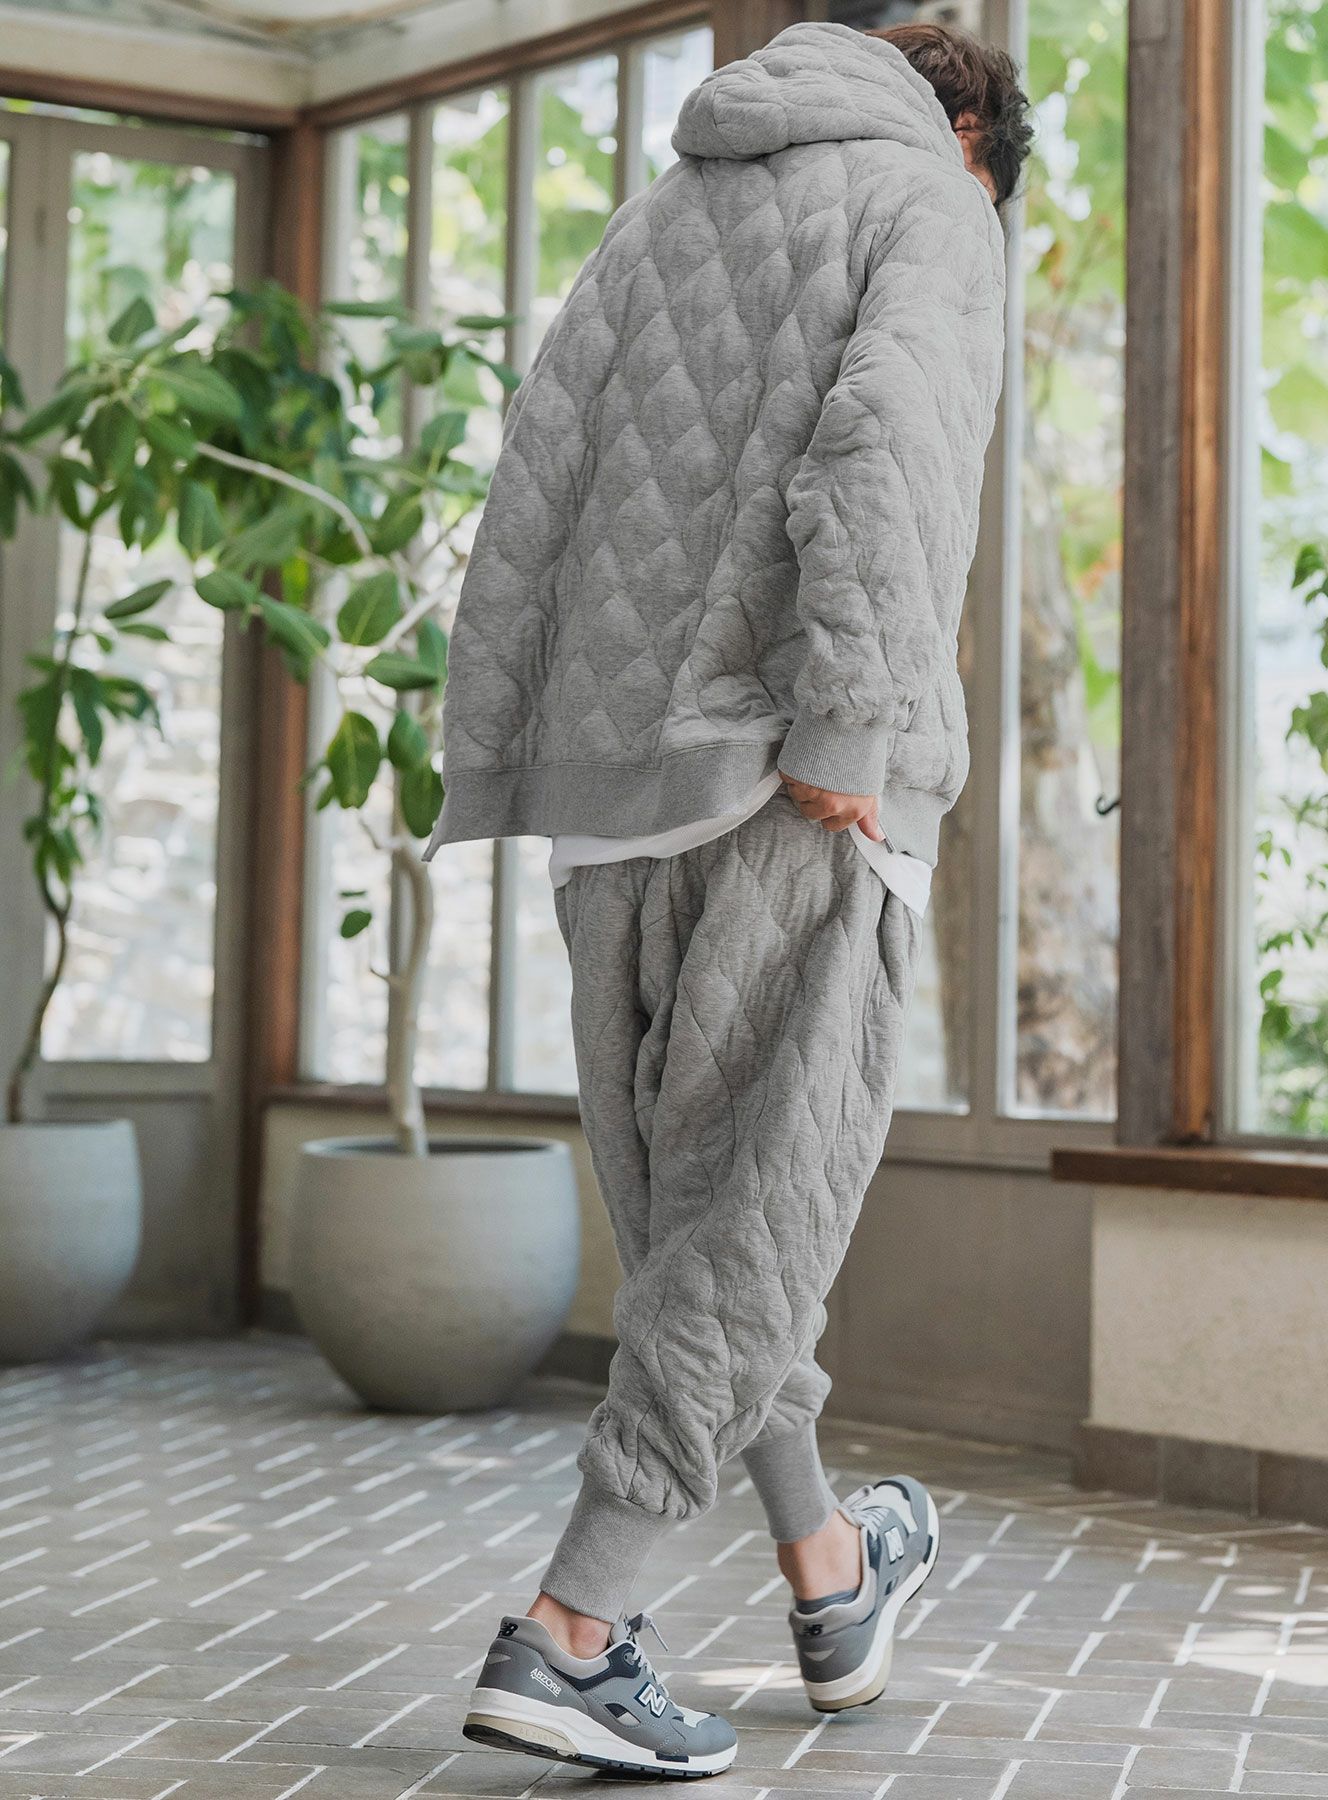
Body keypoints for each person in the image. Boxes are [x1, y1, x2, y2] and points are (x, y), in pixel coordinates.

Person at [425, 16, 1031, 1780]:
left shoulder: (664, 208)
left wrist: (515, 751)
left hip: (606, 803)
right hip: (789, 786)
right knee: (754, 1227)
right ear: (974, 141)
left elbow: (538, 470)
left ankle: (832, 1572)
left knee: (713, 1237)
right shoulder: (932, 204)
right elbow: (891, 452)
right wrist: (854, 723)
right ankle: (574, 1632)